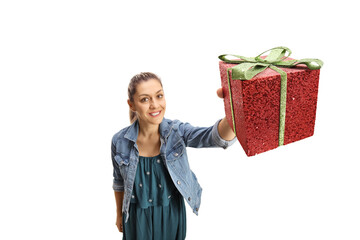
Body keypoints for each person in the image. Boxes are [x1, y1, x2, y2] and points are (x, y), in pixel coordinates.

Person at [111, 72, 236, 240]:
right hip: (135, 216)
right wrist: (119, 214)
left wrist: (235, 111)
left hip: (171, 214)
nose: (155, 105)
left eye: (159, 96)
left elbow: (213, 137)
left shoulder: (176, 132)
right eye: (144, 99)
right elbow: (119, 182)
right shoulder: (119, 141)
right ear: (131, 105)